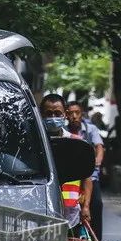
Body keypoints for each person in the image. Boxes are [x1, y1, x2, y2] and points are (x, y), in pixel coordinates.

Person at [40, 94, 92, 232]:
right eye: (48, 113)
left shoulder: (76, 143)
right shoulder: (35, 144)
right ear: (41, 115)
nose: (52, 117)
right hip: (41, 212)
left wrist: (86, 207)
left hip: (71, 215)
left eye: (57, 113)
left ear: (65, 115)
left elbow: (87, 176)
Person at [66, 101, 105, 241]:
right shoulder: (63, 131)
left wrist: (97, 160)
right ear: (66, 115)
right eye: (70, 113)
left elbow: (99, 147)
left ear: (81, 114)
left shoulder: (90, 129)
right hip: (70, 177)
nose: (74, 116)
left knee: (97, 204)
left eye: (77, 113)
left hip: (89, 176)